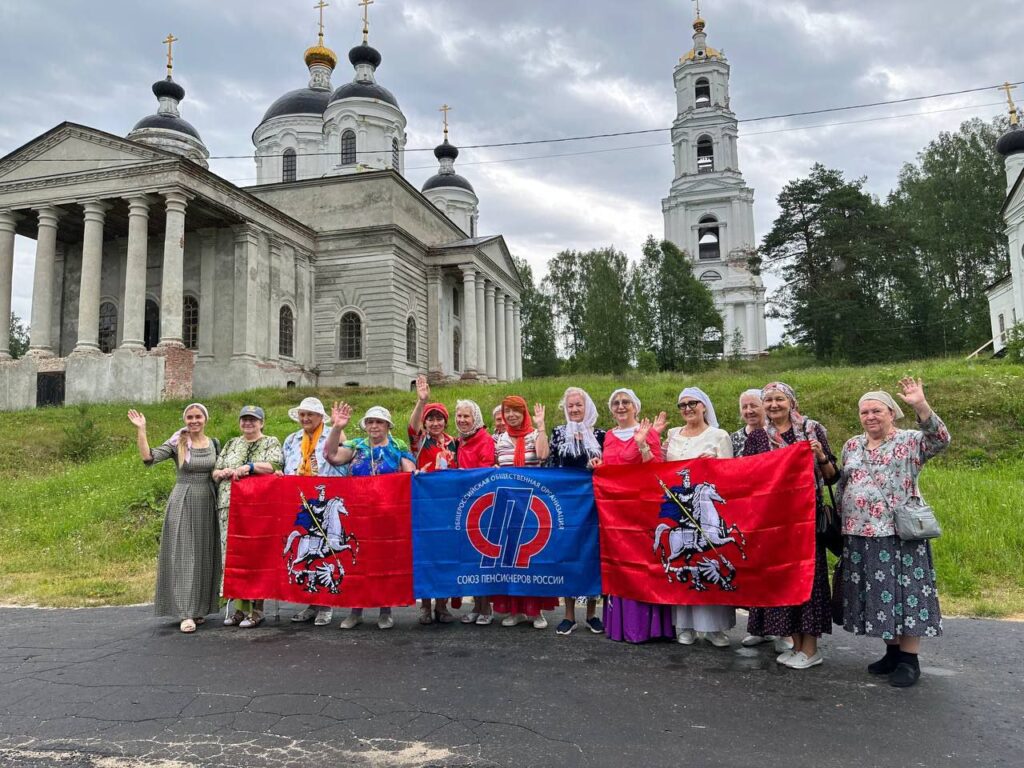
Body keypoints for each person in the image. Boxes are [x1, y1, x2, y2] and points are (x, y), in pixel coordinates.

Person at [838, 378, 950, 688]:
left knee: (907, 594)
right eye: (864, 412)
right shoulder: (852, 444)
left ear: (891, 413)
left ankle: (909, 660)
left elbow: (940, 439)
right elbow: (843, 486)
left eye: (876, 410)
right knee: (880, 596)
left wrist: (920, 404)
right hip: (860, 534)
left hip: (898, 534)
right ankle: (891, 652)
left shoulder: (910, 441)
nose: (870, 417)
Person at [742, 382, 837, 669]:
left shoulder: (810, 429)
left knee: (808, 581)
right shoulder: (758, 437)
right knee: (785, 583)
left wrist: (819, 456)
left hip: (806, 519)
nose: (773, 405)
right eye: (768, 400)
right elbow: (748, 476)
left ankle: (811, 648)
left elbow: (832, 476)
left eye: (779, 399)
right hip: (775, 521)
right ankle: (796, 645)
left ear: (791, 401)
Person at [127, 404, 220, 634]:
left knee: (204, 555)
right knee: (184, 555)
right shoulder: (178, 441)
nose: (194, 421)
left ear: (205, 419)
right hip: (184, 500)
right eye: (190, 417)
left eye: (198, 416)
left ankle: (200, 608)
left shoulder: (214, 444)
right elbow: (149, 457)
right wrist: (142, 429)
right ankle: (185, 613)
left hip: (208, 500)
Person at [324, 403, 415, 630]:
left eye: (379, 422)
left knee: (384, 563)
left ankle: (385, 610)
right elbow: (332, 455)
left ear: (387, 426)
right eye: (370, 422)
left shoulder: (397, 446)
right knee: (357, 562)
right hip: (358, 515)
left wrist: (412, 474)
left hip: (387, 516)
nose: (374, 426)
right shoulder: (357, 446)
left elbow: (409, 472)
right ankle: (356, 611)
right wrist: (337, 427)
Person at [598, 388, 674, 644]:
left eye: (625, 402)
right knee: (620, 567)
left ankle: (647, 626)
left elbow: (657, 470)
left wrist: (642, 444)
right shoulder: (608, 436)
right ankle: (622, 624)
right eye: (616, 403)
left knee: (644, 565)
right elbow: (611, 468)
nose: (620, 406)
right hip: (615, 513)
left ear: (635, 407)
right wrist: (598, 466)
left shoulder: (648, 432)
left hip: (641, 511)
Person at [662, 387, 735, 648]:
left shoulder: (718, 435)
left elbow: (730, 473)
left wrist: (715, 462)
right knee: (684, 558)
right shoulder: (672, 436)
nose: (687, 409)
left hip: (706, 506)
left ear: (704, 406)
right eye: (682, 405)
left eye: (692, 403)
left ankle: (714, 628)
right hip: (680, 507)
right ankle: (685, 624)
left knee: (710, 557)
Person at [281, 396, 349, 628]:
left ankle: (326, 604)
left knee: (326, 551)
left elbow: (341, 463)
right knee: (308, 550)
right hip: (300, 500)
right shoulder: (291, 440)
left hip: (325, 497)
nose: (305, 418)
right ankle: (310, 602)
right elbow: (285, 467)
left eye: (310, 414)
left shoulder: (335, 434)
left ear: (321, 417)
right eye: (302, 414)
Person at [212, 405, 282, 628]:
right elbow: (215, 471)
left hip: (257, 507)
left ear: (262, 422)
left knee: (255, 555)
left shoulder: (270, 441)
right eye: (244, 420)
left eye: (253, 420)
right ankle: (239, 609)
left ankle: (257, 609)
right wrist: (221, 473)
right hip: (229, 505)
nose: (248, 423)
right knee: (232, 555)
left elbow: (274, 465)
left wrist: (249, 467)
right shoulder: (232, 443)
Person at [491, 395, 558, 629]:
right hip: (507, 505)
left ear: (524, 412)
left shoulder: (533, 435)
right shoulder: (499, 439)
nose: (511, 415)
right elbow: (492, 467)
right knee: (508, 559)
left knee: (532, 558)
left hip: (532, 505)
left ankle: (536, 611)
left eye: (516, 411)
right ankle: (514, 609)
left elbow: (542, 456)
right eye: (507, 411)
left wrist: (541, 427)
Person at [547, 386, 605, 636]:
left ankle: (592, 613)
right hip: (566, 504)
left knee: (593, 556)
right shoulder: (559, 433)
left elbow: (609, 466)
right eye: (570, 406)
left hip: (593, 503)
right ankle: (569, 615)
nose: (574, 409)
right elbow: (549, 463)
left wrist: (599, 466)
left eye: (578, 405)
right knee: (568, 553)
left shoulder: (602, 435)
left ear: (587, 406)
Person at [407, 374, 459, 624]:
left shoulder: (455, 443)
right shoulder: (419, 441)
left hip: (449, 507)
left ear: (445, 422)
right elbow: (411, 426)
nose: (435, 422)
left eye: (439, 418)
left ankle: (443, 605)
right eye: (431, 418)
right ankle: (425, 606)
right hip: (424, 506)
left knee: (446, 555)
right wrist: (422, 401)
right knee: (425, 555)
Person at [452, 398, 496, 625]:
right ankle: (476, 606)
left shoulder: (484, 439)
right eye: (459, 416)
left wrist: (461, 475)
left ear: (475, 418)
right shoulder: (461, 441)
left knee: (483, 557)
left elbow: (485, 471)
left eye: (466, 416)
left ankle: (486, 608)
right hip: (464, 505)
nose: (462, 420)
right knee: (470, 558)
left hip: (482, 505)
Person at [730, 389, 765, 458]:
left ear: (765, 407)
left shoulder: (775, 433)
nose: (749, 411)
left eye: (753, 406)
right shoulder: (734, 438)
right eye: (744, 407)